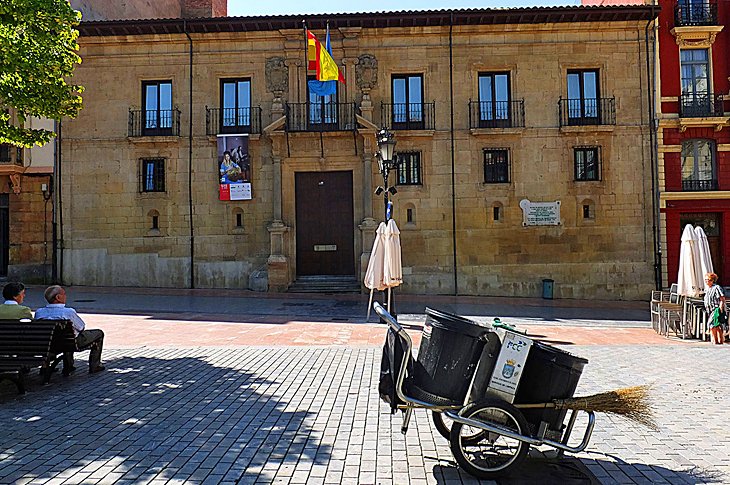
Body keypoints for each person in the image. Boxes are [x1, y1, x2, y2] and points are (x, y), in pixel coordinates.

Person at [35, 285, 105, 373]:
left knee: (67, 336)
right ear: (58, 297)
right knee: (98, 333)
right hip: (69, 343)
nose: (66, 296)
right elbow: (81, 327)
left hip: (48, 344)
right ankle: (95, 365)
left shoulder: (39, 312)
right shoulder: (68, 312)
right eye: (64, 294)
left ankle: (67, 366)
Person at [703, 272, 725, 345]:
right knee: (716, 325)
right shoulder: (707, 289)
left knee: (711, 324)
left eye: (708, 280)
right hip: (709, 310)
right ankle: (720, 339)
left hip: (716, 309)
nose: (707, 281)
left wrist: (720, 308)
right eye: (706, 280)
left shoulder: (716, 288)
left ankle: (715, 340)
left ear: (713, 280)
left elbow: (722, 298)